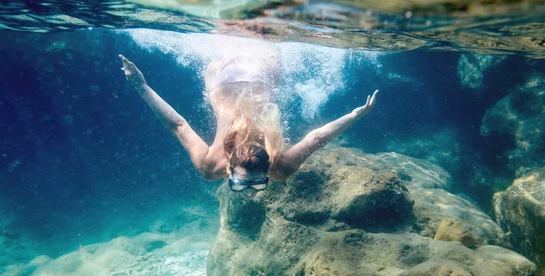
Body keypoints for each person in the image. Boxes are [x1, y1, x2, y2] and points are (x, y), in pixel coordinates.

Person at [119, 53, 378, 195]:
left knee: (261, 49)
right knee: (245, 45)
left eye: (242, 184)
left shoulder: (277, 166)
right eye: (255, 184)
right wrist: (141, 86)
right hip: (223, 85)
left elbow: (317, 140)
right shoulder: (209, 168)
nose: (250, 191)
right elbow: (178, 125)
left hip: (254, 83)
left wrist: (356, 115)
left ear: (231, 167)